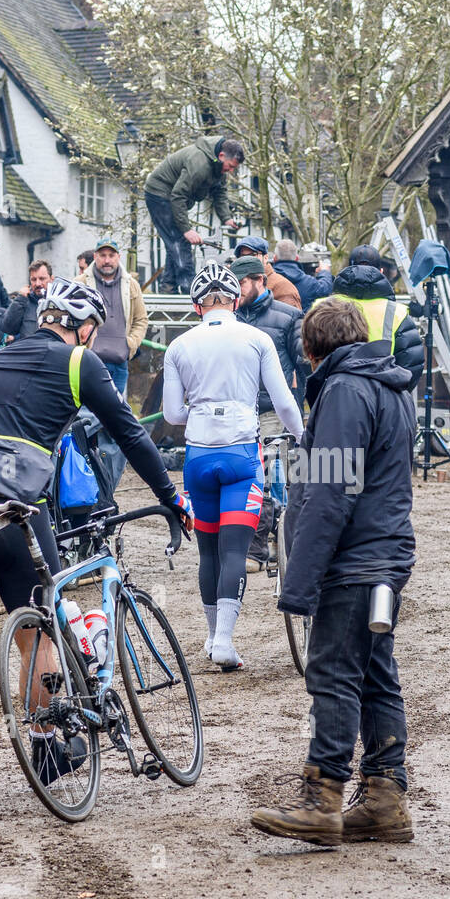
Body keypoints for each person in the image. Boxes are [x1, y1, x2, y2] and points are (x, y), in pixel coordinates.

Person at [0, 275, 192, 810]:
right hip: (14, 513)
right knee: (39, 636)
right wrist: (170, 496)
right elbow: (130, 433)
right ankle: (48, 746)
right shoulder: (79, 363)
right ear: (85, 327)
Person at [250, 296, 416, 846]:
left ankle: (322, 799)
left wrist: (297, 581)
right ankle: (385, 800)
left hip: (354, 560)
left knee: (333, 674)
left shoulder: (344, 391)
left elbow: (327, 494)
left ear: (311, 349)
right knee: (375, 673)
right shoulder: (389, 386)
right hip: (385, 556)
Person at [162, 262, 302, 671]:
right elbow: (283, 402)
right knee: (236, 550)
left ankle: (210, 637)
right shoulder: (256, 337)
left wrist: (204, 412)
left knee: (208, 550)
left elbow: (172, 413)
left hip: (198, 456)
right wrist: (301, 435)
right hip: (242, 452)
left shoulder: (178, 346)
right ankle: (224, 640)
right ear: (236, 300)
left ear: (195, 306)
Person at [231, 254, 304, 571]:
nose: (237, 290)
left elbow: (303, 360)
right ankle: (258, 548)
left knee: (274, 477)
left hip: (273, 408)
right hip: (238, 409)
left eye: (242, 283)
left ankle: (282, 546)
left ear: (259, 280)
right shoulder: (229, 319)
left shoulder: (289, 317)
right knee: (250, 480)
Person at [144, 136, 243, 293]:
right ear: (222, 156)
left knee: (174, 242)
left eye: (233, 168)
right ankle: (189, 288)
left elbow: (220, 192)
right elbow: (178, 196)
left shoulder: (219, 167)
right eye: (230, 166)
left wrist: (227, 218)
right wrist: (186, 229)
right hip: (160, 194)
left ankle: (168, 287)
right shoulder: (199, 164)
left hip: (174, 197)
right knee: (179, 240)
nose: (230, 171)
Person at [328, 263, 425, 389]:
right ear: (381, 272)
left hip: (336, 391)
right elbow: (411, 362)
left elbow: (311, 355)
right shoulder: (396, 313)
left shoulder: (325, 309)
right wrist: (397, 395)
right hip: (384, 393)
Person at [77, 238, 148, 394]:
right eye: (102, 255)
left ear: (118, 257)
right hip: (87, 362)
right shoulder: (80, 284)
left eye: (111, 255)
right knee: (88, 414)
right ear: (95, 256)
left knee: (114, 415)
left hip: (119, 363)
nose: (107, 260)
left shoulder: (131, 284)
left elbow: (141, 319)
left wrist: (130, 344)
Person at [234, 234, 301, 309]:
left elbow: (289, 318)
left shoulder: (282, 286)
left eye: (253, 255)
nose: (247, 259)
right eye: (242, 256)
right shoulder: (236, 283)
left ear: (265, 258)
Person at [0, 259, 52, 343]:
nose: (38, 283)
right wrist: (20, 300)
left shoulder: (60, 303)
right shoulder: (24, 301)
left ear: (51, 279)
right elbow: (7, 328)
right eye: (34, 279)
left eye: (42, 279)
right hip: (28, 353)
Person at [272, 238, 333, 308]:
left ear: (275, 258)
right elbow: (325, 289)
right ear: (297, 258)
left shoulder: (266, 280)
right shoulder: (309, 282)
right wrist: (324, 271)